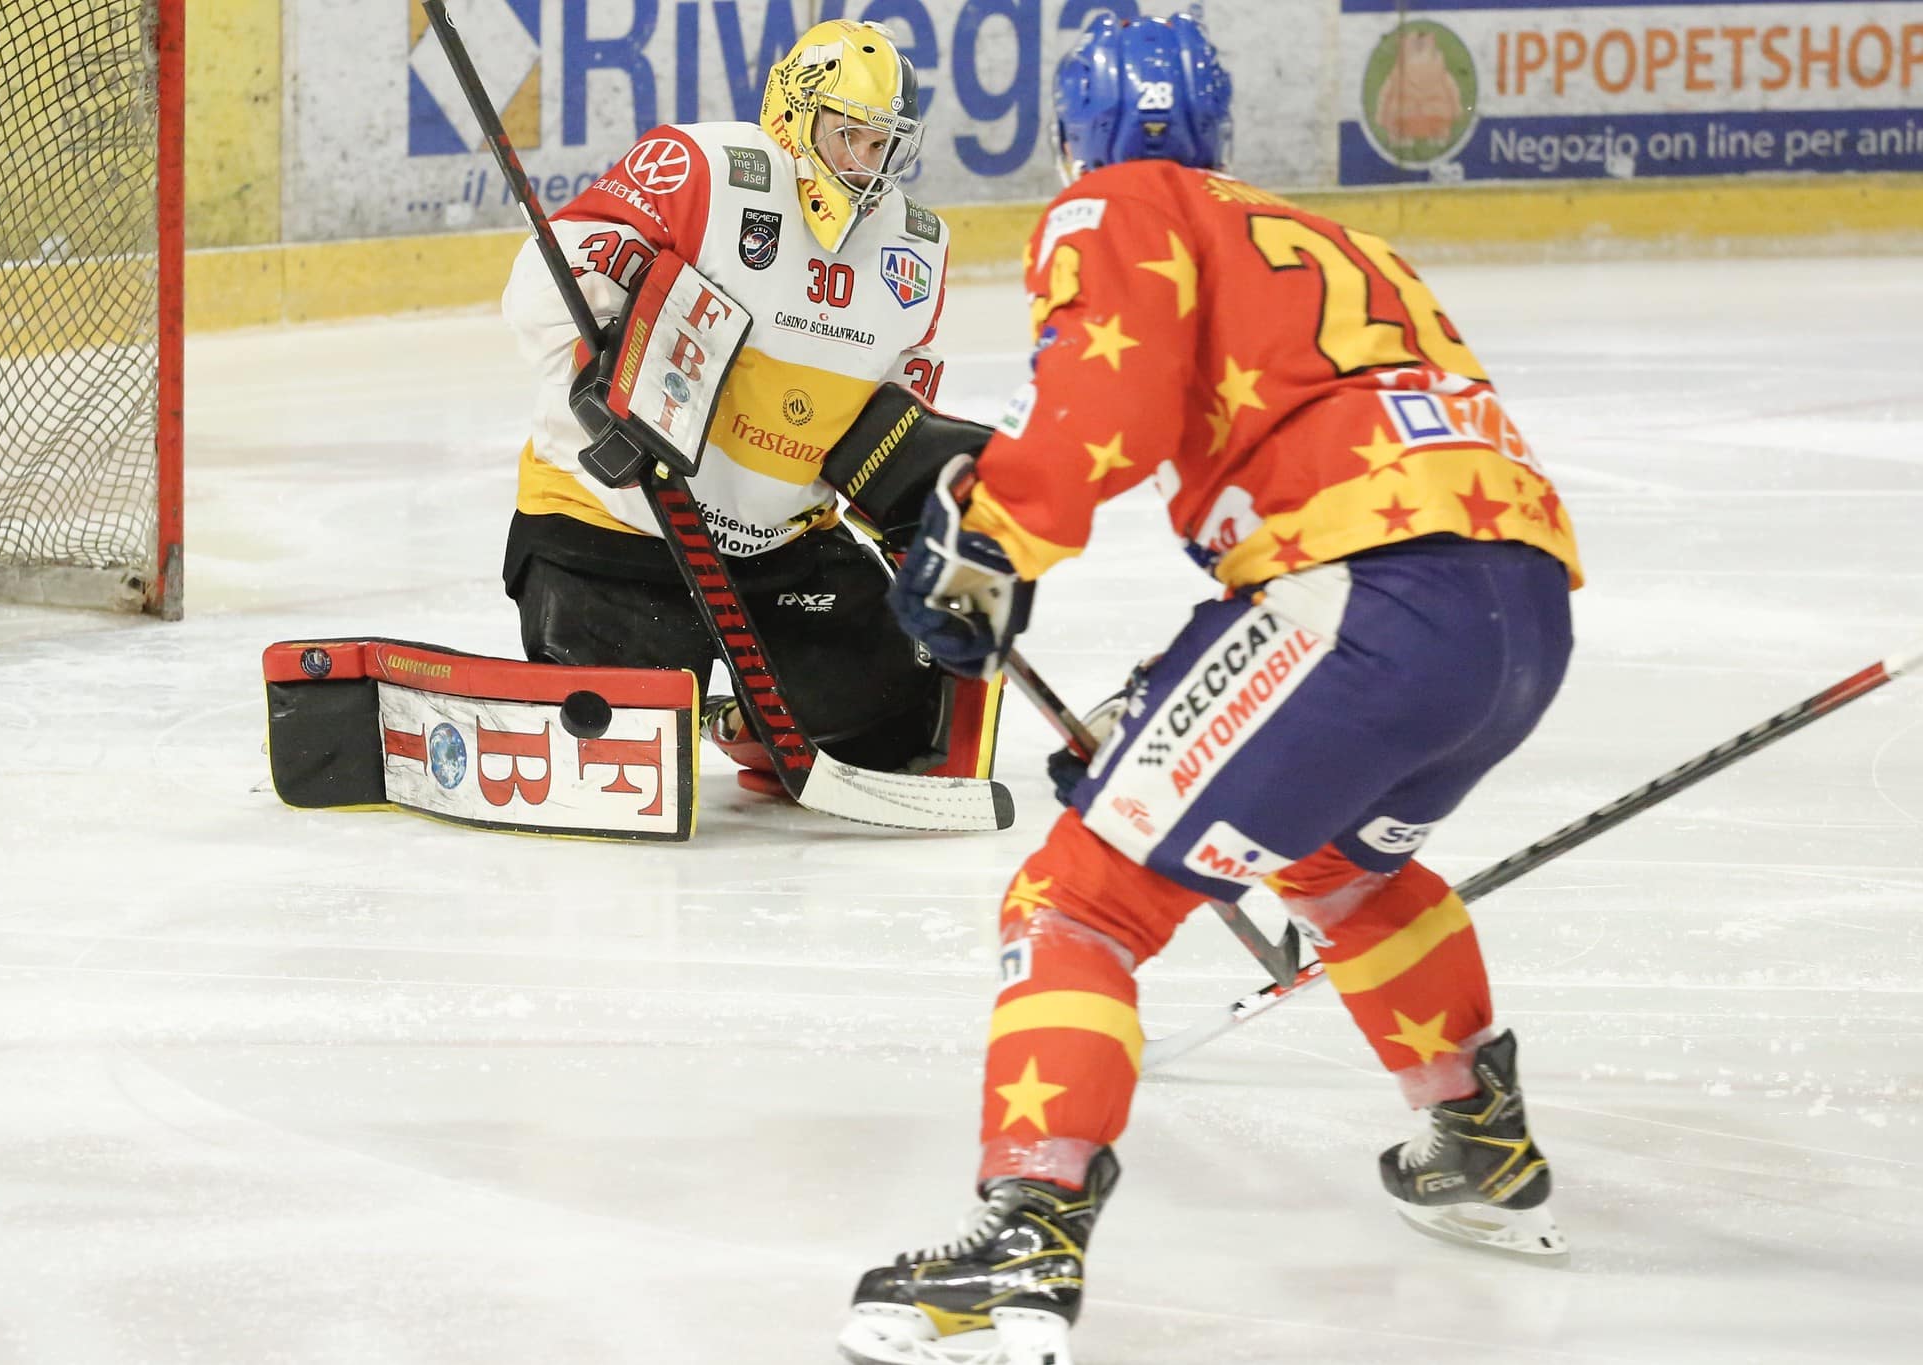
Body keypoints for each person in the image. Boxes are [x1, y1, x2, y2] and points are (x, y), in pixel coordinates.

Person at [839, 12, 1584, 1363]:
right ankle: (1476, 1134)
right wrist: (1156, 707)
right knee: (1331, 861)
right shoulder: (1334, 241)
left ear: (1076, 134)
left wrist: (986, 542)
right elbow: (1350, 479)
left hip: (1363, 604)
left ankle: (1024, 1239)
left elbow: (1107, 410)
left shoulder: (1119, 203)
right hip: (1516, 611)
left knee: (1077, 904)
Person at [500, 19, 993, 783]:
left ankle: (749, 720)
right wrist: (605, 349)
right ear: (797, 115)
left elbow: (891, 425)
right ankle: (671, 689)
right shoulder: (702, 168)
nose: (868, 166)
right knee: (621, 747)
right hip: (617, 523)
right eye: (850, 137)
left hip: (781, 549)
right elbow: (543, 284)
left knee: (896, 720)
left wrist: (917, 506)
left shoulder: (917, 249)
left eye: (884, 145)